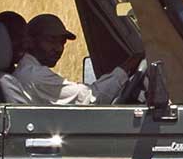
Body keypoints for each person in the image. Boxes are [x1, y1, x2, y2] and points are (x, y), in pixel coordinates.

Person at [10, 13, 141, 105]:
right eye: (51, 40)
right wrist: (127, 67)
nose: (58, 48)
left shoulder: (27, 71)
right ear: (30, 42)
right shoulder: (34, 76)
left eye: (62, 42)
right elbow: (92, 98)